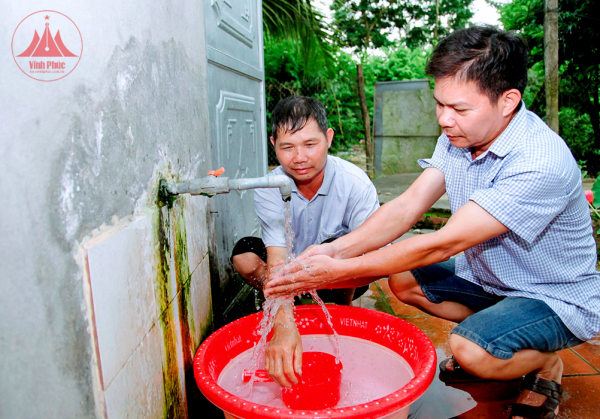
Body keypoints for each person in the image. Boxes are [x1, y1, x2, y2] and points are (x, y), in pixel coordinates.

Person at [265, 26, 600, 419]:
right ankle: (501, 334)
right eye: (439, 104)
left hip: (552, 295)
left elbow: (442, 243)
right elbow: (407, 207)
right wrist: (333, 249)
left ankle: (544, 364)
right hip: (493, 276)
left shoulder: (539, 162)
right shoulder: (461, 134)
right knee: (403, 279)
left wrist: (338, 271)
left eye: (458, 109)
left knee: (468, 348)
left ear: (508, 101)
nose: (444, 119)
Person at [231, 96, 380, 388]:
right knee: (243, 257)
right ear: (274, 144)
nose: (299, 157)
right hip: (289, 265)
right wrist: (283, 325)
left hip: (337, 271)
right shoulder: (268, 187)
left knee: (347, 250)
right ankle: (285, 299)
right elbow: (276, 257)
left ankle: (342, 309)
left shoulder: (355, 184)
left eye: (310, 145)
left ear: (328, 138)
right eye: (287, 147)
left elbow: (371, 252)